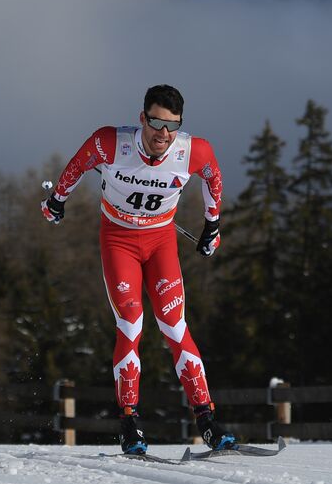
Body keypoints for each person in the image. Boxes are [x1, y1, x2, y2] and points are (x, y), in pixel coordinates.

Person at [40, 83, 234, 455]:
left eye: (172, 125)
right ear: (142, 118)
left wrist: (213, 225)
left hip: (161, 241)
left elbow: (213, 178)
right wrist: (57, 201)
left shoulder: (194, 150)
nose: (164, 134)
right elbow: (77, 165)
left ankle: (208, 421)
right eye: (157, 123)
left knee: (174, 325)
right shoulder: (111, 143)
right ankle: (130, 425)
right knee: (131, 323)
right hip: (119, 240)